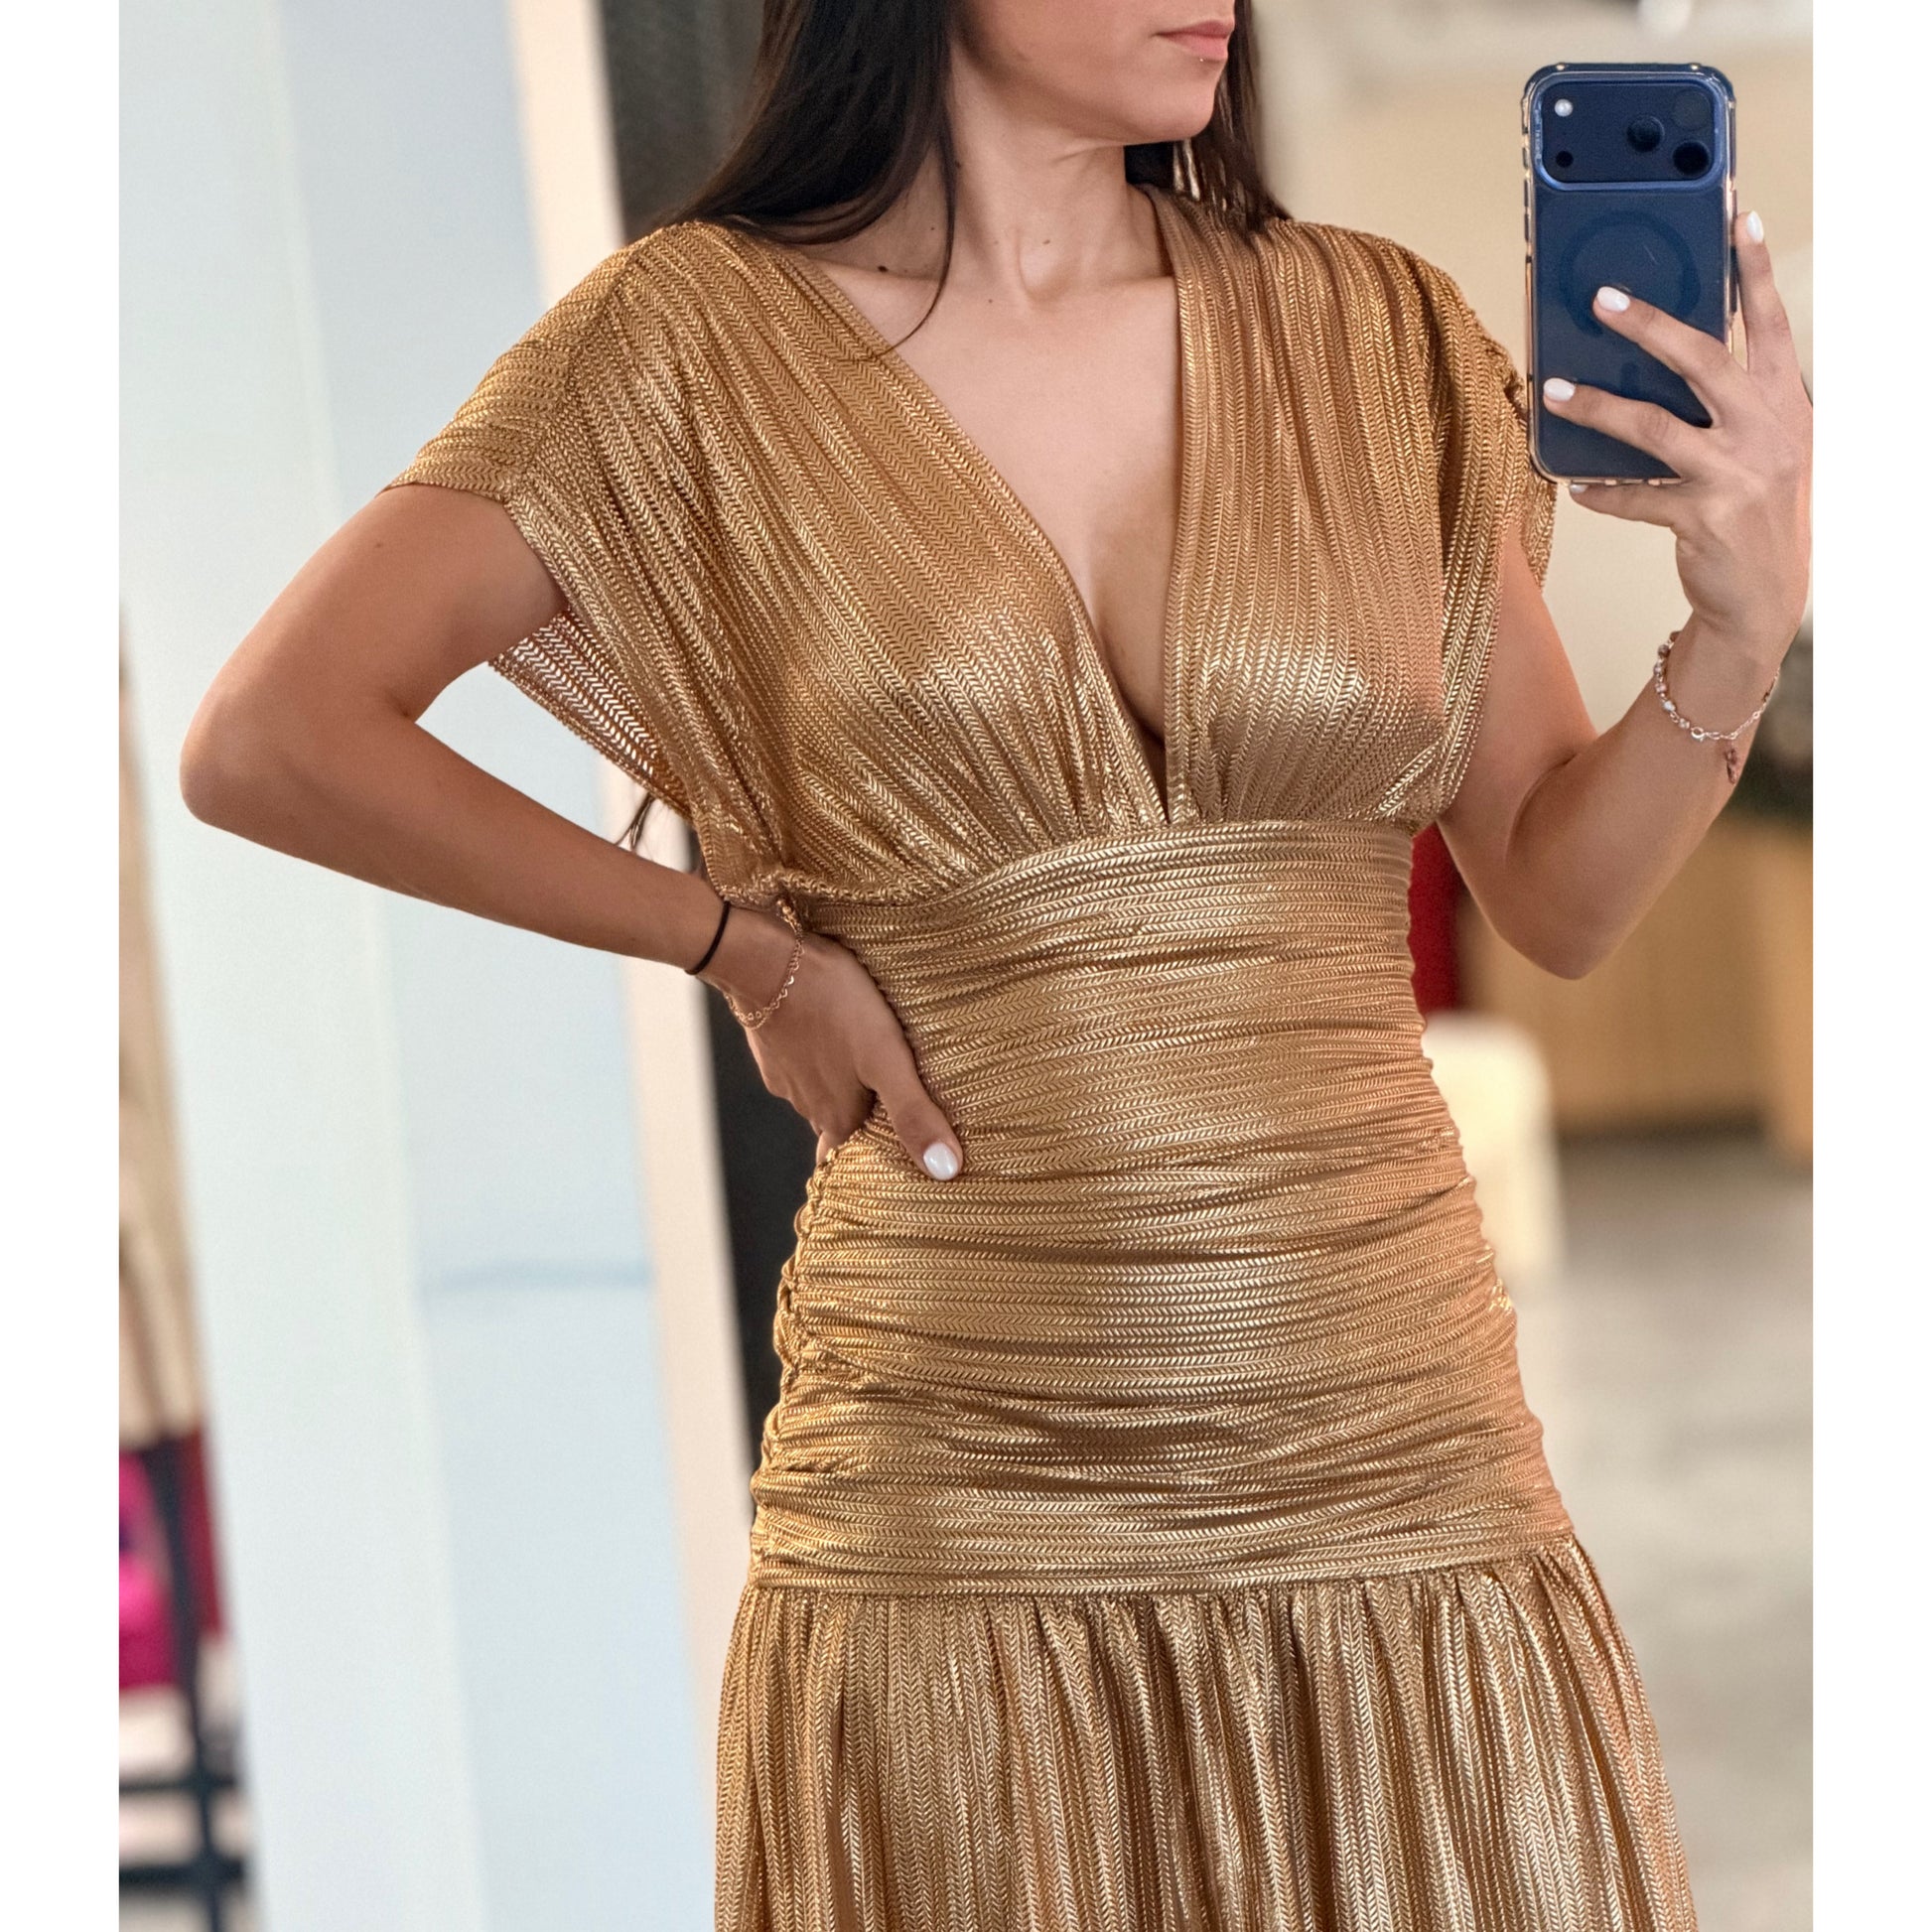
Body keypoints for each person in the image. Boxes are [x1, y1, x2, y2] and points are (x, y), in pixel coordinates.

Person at [180, 2, 1811, 1924]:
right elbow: (273, 734)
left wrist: (1741, 622)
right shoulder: (688, 344)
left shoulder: (1373, 333)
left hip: (1395, 1454)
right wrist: (738, 949)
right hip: (954, 1498)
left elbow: (1554, 889)